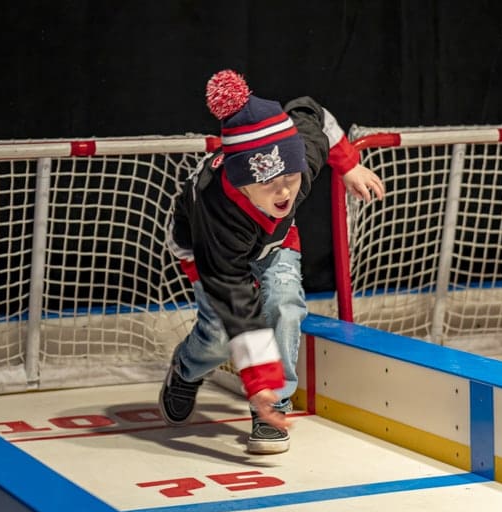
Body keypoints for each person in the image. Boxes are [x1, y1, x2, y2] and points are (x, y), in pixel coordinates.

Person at [159, 69, 384, 454]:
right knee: (218, 337)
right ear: (241, 181)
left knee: (284, 304)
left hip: (273, 241)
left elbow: (313, 113)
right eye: (269, 185)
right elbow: (236, 304)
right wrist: (258, 377)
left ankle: (271, 409)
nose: (284, 194)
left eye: (291, 179)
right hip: (206, 248)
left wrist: (347, 164)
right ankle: (184, 369)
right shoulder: (217, 213)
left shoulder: (301, 162)